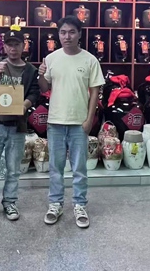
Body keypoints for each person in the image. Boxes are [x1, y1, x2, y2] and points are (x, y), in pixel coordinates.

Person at [38, 16, 105, 228]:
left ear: (80, 34)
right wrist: (41, 75)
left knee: (79, 167)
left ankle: (79, 205)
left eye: (71, 32)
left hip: (79, 123)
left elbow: (95, 92)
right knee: (55, 167)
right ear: (58, 35)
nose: (67, 36)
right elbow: (44, 88)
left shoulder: (90, 60)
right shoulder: (51, 59)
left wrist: (89, 119)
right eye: (63, 32)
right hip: (55, 121)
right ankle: (55, 204)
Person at [0, 29, 40, 225]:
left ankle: (10, 202)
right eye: (9, 45)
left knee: (13, 169)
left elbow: (35, 93)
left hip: (16, 127)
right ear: (4, 47)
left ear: (23, 46)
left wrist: (24, 105)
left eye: (17, 44)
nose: (13, 48)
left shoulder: (30, 70)